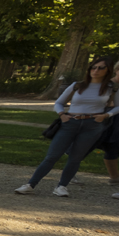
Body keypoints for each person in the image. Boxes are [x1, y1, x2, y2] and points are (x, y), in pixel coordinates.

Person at [16, 56, 118, 197]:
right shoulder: (78, 85)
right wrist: (62, 114)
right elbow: (59, 102)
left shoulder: (110, 89)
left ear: (108, 71)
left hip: (92, 125)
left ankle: (62, 186)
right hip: (70, 122)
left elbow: (117, 107)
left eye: (101, 68)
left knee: (76, 157)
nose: (96, 71)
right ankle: (30, 184)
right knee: (52, 155)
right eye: (94, 67)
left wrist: (106, 116)